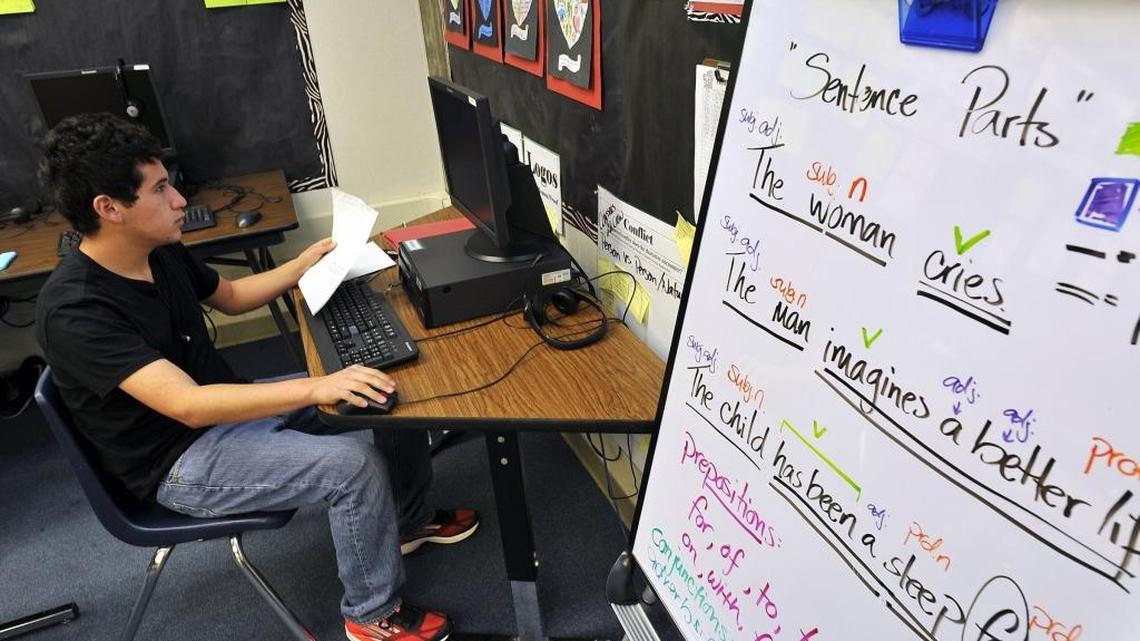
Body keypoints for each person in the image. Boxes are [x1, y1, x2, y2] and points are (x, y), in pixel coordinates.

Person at [34, 112, 477, 641]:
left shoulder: (157, 249)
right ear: (109, 209)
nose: (178, 201)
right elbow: (190, 405)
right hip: (177, 460)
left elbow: (233, 296)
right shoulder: (76, 309)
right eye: (159, 190)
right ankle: (370, 615)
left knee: (380, 389)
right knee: (352, 465)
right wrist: (317, 387)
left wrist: (307, 261)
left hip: (223, 410)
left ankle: (407, 522)